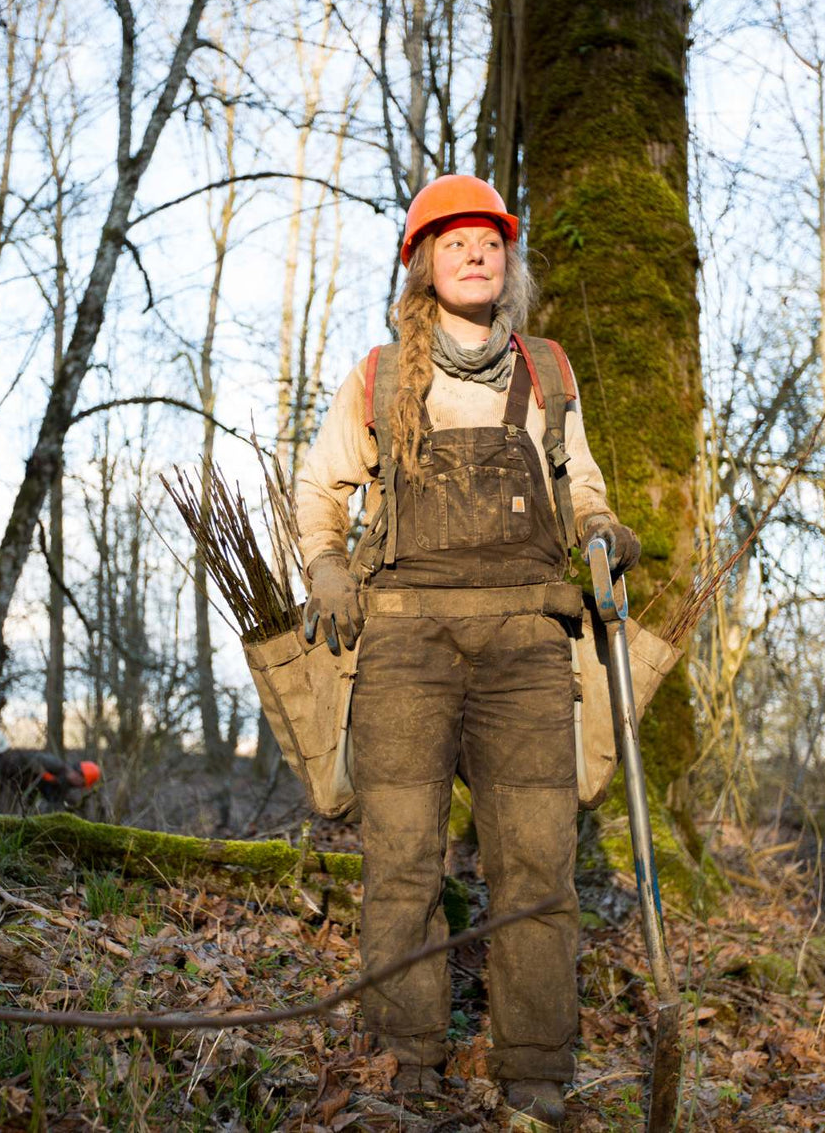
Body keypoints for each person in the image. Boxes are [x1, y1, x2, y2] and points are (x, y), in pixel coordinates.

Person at [293, 174, 640, 1127]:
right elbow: (320, 490)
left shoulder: (550, 372)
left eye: (489, 241)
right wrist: (325, 567)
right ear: (421, 267)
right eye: (452, 243)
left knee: (535, 864)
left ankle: (533, 1067)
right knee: (402, 858)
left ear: (508, 261)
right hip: (403, 641)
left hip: (529, 642)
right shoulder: (381, 376)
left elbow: (583, 489)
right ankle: (410, 1059)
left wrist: (604, 532)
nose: (474, 253)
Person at [0, 729, 102, 814]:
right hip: (7, 778)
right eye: (81, 780)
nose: (79, 784)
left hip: (19, 794)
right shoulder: (54, 764)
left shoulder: (64, 787)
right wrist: (39, 773)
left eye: (82, 784)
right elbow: (31, 760)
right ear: (78, 774)